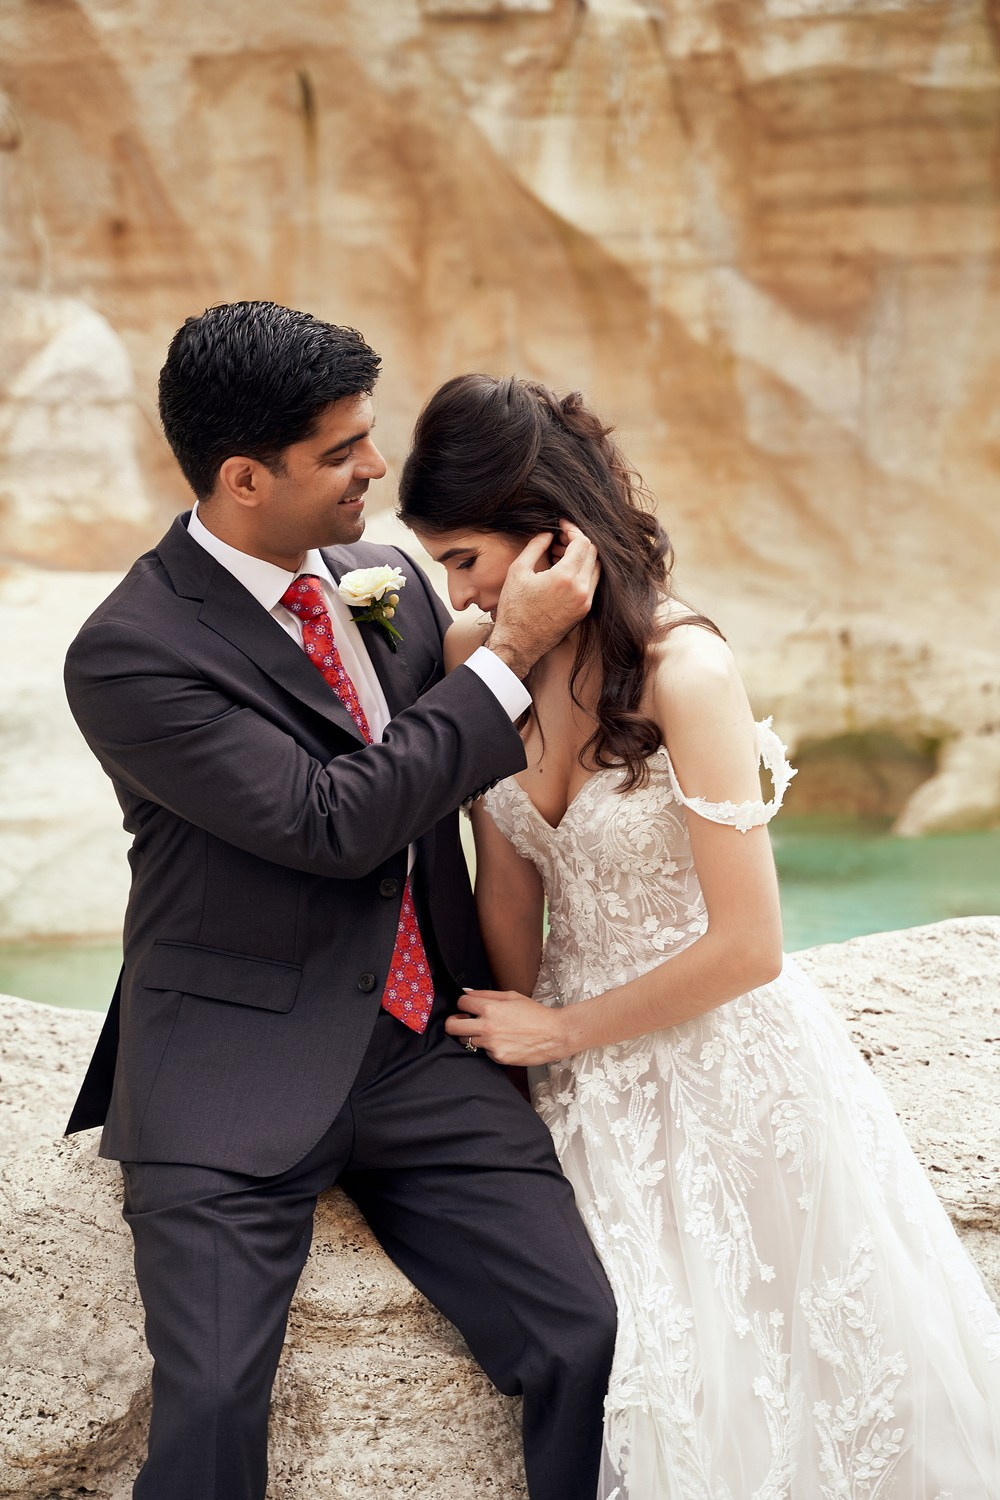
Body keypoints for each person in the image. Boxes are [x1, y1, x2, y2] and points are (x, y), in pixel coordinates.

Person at [397, 372, 1000, 1499]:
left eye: (466, 557)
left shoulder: (687, 672)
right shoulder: (479, 661)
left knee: (786, 1381)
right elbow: (509, 892)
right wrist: (521, 1063)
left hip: (725, 1062)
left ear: (552, 542)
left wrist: (560, 1028)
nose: (457, 590)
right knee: (643, 1373)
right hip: (574, 1074)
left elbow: (750, 947)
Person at [62, 304, 617, 1500]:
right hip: (228, 1065)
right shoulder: (130, 652)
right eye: (342, 452)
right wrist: (502, 659)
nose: (378, 468)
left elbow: (438, 757)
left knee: (580, 1335)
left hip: (424, 1052)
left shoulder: (385, 581)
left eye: (371, 434)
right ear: (243, 478)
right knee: (211, 1407)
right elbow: (332, 821)